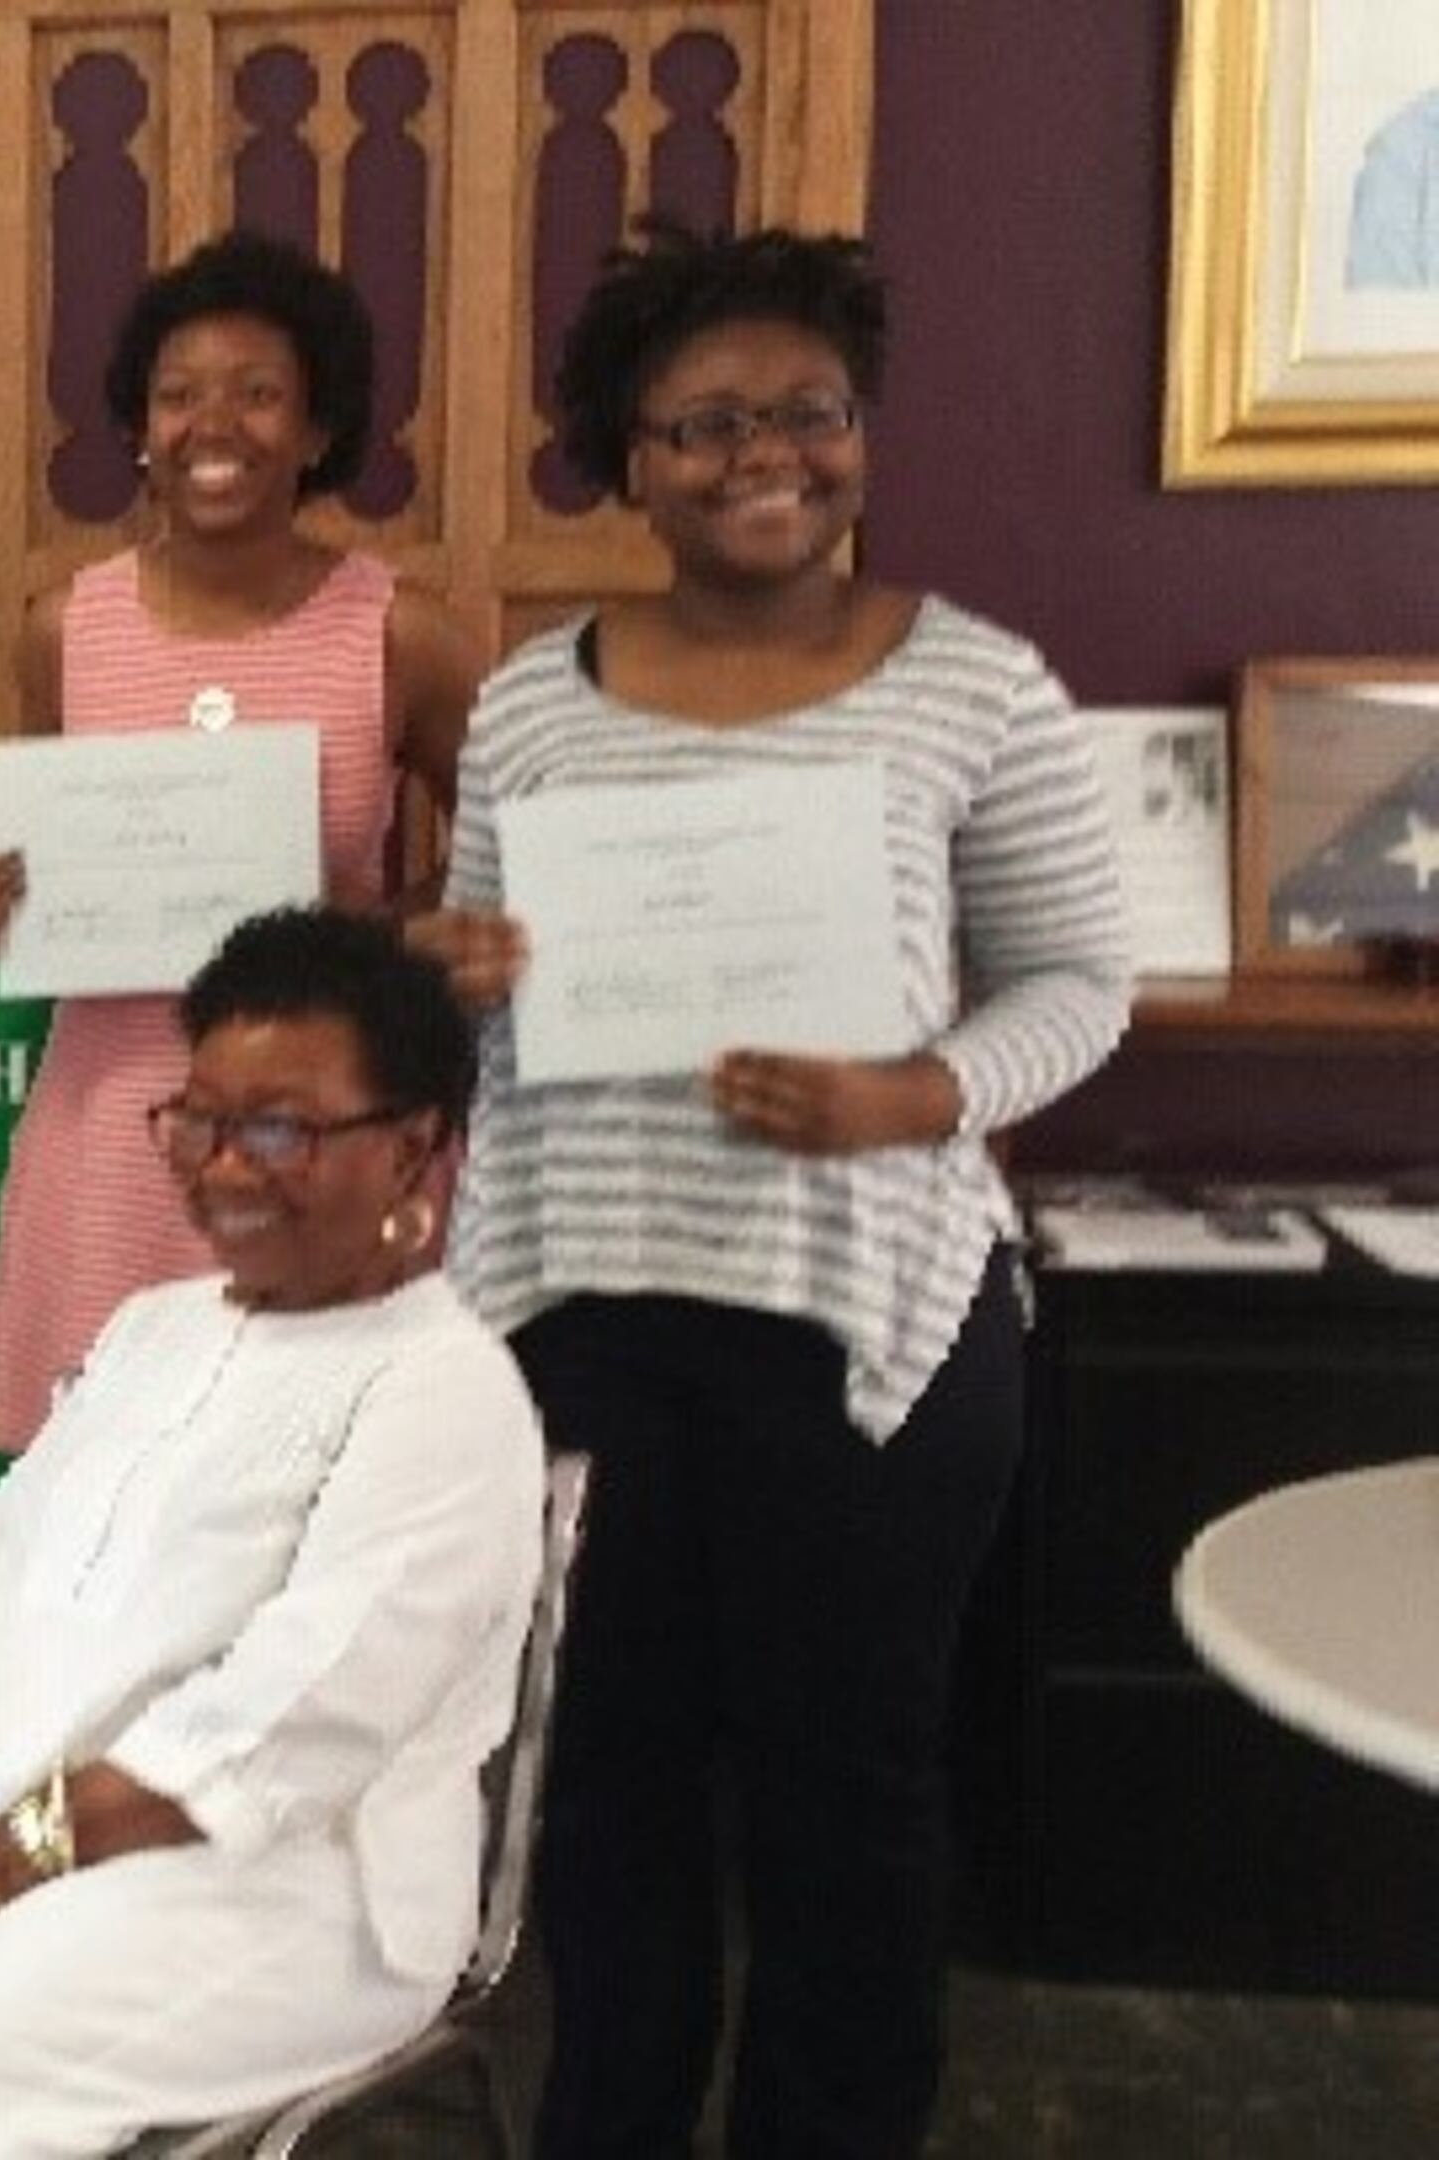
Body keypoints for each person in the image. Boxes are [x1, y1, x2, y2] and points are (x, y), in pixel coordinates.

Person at [408, 224, 1132, 2159]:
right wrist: (457, 973)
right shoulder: (530, 708)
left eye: (807, 413)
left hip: (865, 1321)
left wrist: (920, 1092)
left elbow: (1083, 984)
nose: (764, 456)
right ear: (628, 461)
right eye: (704, 422)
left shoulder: (980, 686)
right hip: (578, 1313)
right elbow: (486, 992)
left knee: (850, 1795)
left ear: (859, 433)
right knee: (605, 1793)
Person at [0, 906, 545, 2159]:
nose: (225, 1168)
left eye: (281, 1129)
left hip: (294, 1888)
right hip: (21, 1823)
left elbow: (301, 1721)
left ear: (417, 1150)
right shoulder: (156, 1329)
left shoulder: (442, 1388)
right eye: (201, 1120)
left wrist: (1, 1858)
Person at [0, 230, 482, 1456]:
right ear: (139, 426)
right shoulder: (60, 630)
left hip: (322, 1131)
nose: (213, 425)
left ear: (317, 427)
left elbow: (512, 849)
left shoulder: (400, 634)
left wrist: (368, 934)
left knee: (313, 1474)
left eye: (257, 394)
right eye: (178, 395)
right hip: (118, 1120)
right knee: (100, 1495)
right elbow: (10, 870)